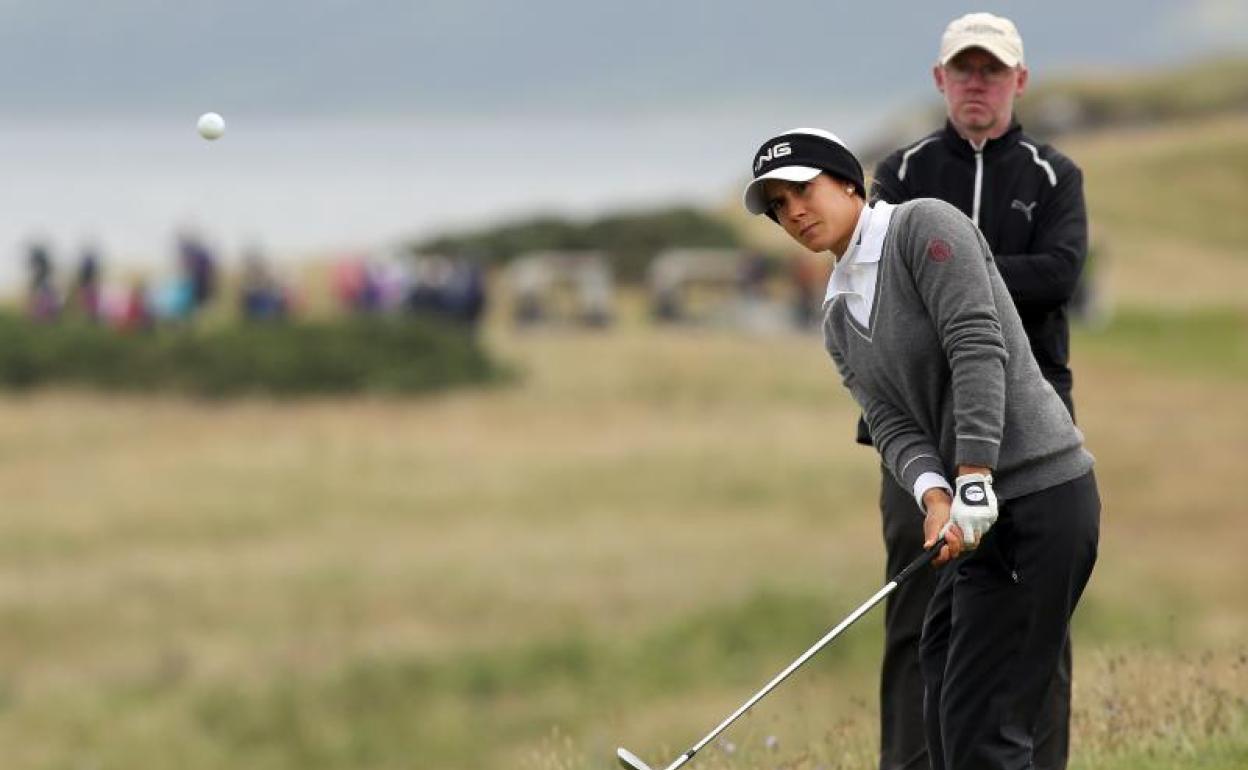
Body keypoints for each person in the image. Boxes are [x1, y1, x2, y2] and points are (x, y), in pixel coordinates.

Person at [742, 127, 1099, 770]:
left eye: (802, 188)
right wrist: (934, 495)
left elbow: (975, 344)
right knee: (942, 702)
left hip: (1040, 496)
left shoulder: (923, 227)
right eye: (775, 204)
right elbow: (892, 425)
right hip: (974, 512)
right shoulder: (837, 315)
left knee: (989, 729)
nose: (791, 211)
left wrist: (973, 475)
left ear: (847, 181)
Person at [868, 13, 1089, 770]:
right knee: (916, 605)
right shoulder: (901, 174)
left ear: (1018, 81)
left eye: (990, 70)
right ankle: (910, 762)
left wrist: (960, 274)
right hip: (928, 430)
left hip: (1032, 429)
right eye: (962, 69)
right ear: (940, 80)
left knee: (1037, 619)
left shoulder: (1054, 176)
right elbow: (889, 293)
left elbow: (1061, 274)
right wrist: (992, 277)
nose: (976, 83)